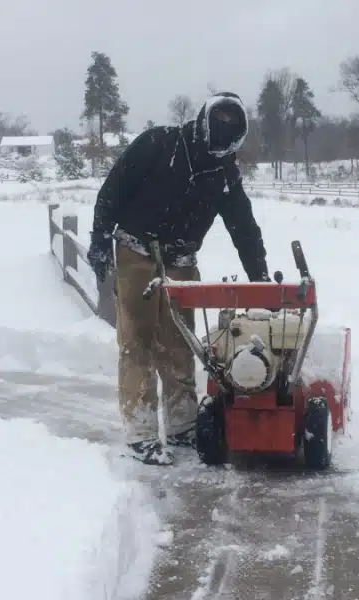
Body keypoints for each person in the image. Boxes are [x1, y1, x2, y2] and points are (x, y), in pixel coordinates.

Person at [87, 91, 270, 466]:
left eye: (230, 139)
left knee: (180, 343)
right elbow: (112, 191)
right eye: (217, 131)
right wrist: (100, 241)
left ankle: (181, 425)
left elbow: (244, 227)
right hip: (136, 250)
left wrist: (261, 278)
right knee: (137, 340)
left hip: (181, 260)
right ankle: (140, 430)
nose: (221, 145)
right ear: (203, 123)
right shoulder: (158, 144)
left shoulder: (224, 171)